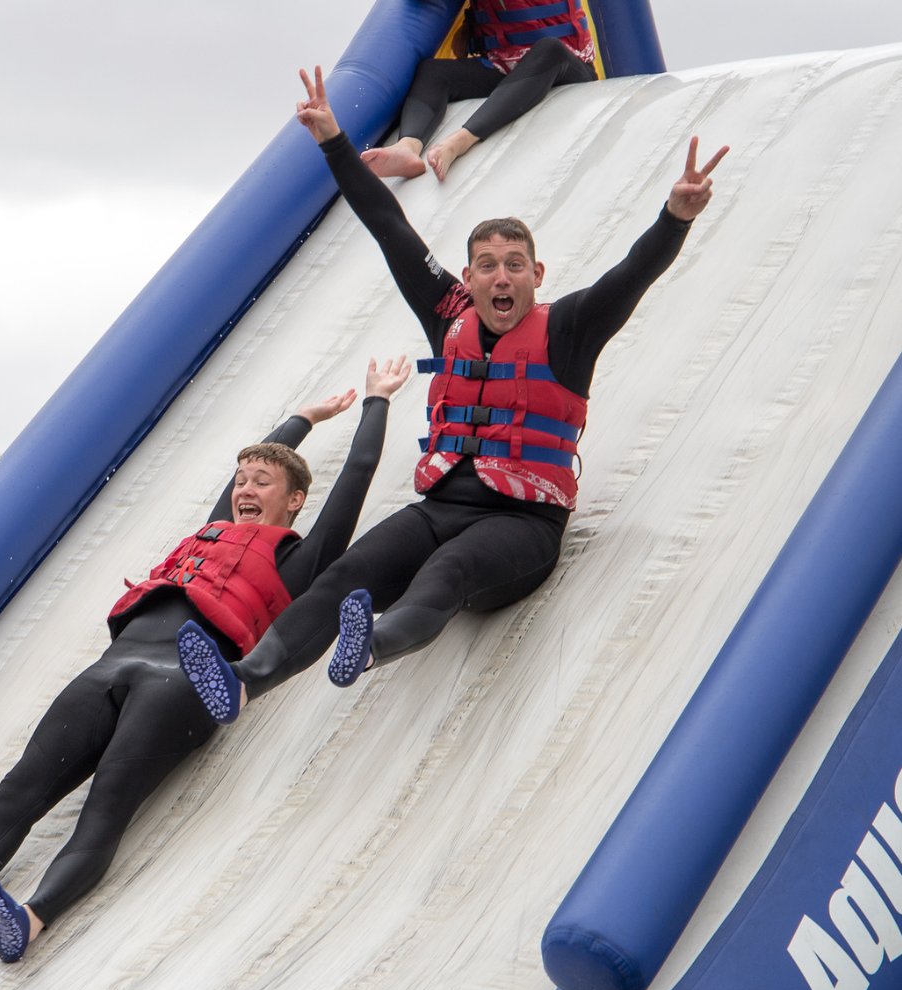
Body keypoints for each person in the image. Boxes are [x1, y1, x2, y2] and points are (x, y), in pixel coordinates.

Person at [175, 67, 728, 726]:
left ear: (536, 275)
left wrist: (675, 216)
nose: (501, 277)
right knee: (344, 575)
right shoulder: (449, 316)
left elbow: (632, 273)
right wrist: (333, 142)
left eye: (514, 265)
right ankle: (244, 682)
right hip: (438, 507)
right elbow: (389, 226)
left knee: (450, 570)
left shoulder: (570, 329)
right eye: (487, 266)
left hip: (522, 529)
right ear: (469, 277)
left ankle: (369, 646)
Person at [0, 358, 410, 963]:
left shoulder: (303, 557)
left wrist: (375, 401)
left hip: (185, 680)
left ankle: (34, 918)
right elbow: (255, 467)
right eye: (240, 479)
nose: (245, 489)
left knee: (107, 803)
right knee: (18, 792)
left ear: (295, 500)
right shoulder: (216, 530)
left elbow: (354, 475)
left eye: (261, 482)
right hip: (113, 665)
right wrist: (305, 415)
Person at [361, 0, 597, 182]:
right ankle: (407, 148)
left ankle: (460, 141)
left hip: (568, 66)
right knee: (433, 72)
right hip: (505, 64)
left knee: (549, 49)